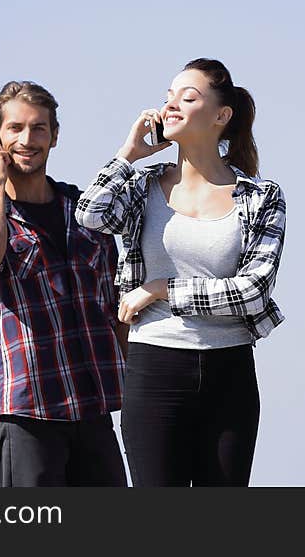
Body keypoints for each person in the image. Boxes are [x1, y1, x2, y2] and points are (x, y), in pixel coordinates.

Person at [75, 58, 286, 487]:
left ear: (221, 116)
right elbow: (90, 215)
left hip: (231, 372)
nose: (170, 105)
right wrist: (127, 155)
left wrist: (162, 288)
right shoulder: (141, 187)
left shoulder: (262, 197)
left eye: (187, 97)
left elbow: (252, 292)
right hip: (154, 367)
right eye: (167, 96)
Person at [0, 81, 127, 487]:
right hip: (29, 411)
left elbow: (117, 306)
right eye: (14, 129)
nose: (27, 140)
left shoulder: (85, 213)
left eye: (38, 128)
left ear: (55, 135)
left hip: (95, 406)